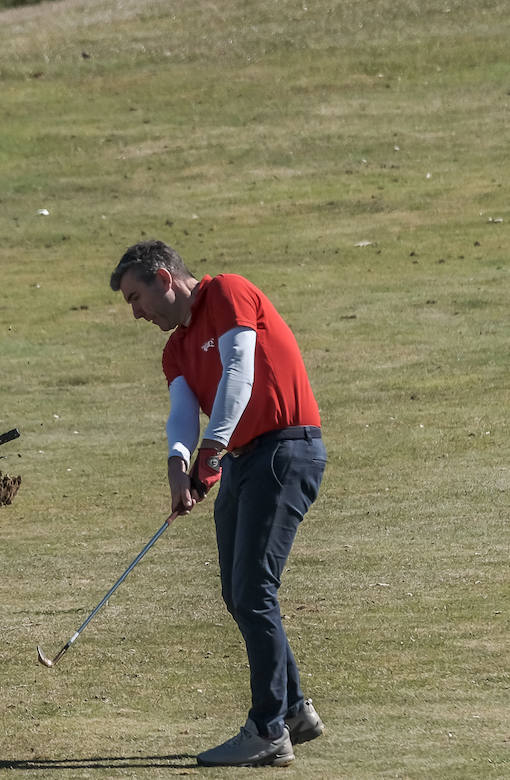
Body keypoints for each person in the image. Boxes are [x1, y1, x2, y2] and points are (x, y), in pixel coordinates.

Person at [109, 240, 328, 768]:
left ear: (164, 278)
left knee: (254, 592)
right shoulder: (175, 349)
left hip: (283, 450)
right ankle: (294, 710)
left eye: (137, 298)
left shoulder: (228, 292)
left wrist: (211, 453)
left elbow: (239, 374)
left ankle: (269, 731)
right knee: (239, 594)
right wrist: (178, 465)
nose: (136, 313)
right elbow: (183, 415)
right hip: (242, 463)